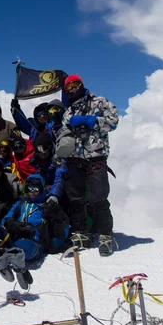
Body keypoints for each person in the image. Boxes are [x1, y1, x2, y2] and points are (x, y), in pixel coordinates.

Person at [57, 74, 119, 256]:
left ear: (82, 85)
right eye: (69, 88)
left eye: (75, 85)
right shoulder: (69, 111)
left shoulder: (99, 102)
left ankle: (105, 234)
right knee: (76, 198)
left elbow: (114, 122)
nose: (73, 90)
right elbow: (64, 130)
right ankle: (80, 233)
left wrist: (94, 122)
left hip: (96, 156)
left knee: (99, 197)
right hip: (75, 158)